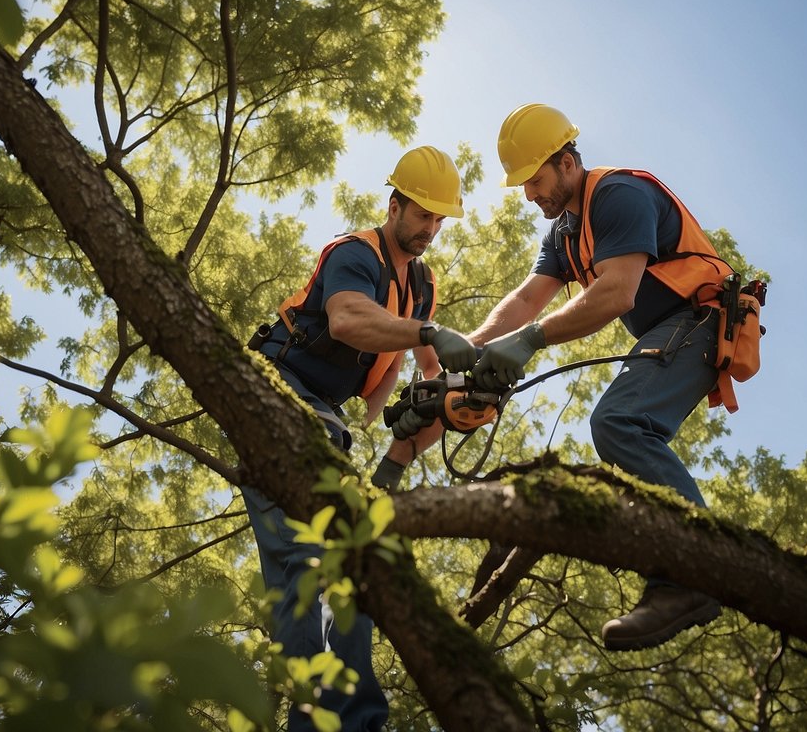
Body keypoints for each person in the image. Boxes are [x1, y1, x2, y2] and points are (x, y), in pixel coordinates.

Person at [471, 103, 730, 652]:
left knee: (620, 421)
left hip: (701, 317)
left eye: (535, 180)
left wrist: (529, 342)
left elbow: (616, 293)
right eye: (522, 185)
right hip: (667, 329)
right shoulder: (564, 232)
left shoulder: (616, 195)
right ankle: (684, 565)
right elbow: (526, 298)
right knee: (619, 424)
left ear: (567, 162)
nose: (529, 195)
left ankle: (695, 574)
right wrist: (471, 349)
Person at [243, 145, 476, 730]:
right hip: (281, 393)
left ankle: (340, 716)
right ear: (395, 204)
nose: (431, 228)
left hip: (328, 419)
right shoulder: (356, 253)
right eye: (422, 214)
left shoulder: (421, 284)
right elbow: (348, 320)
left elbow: (426, 369)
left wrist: (461, 396)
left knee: (345, 559)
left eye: (440, 218)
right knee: (313, 553)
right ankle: (331, 719)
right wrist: (433, 333)